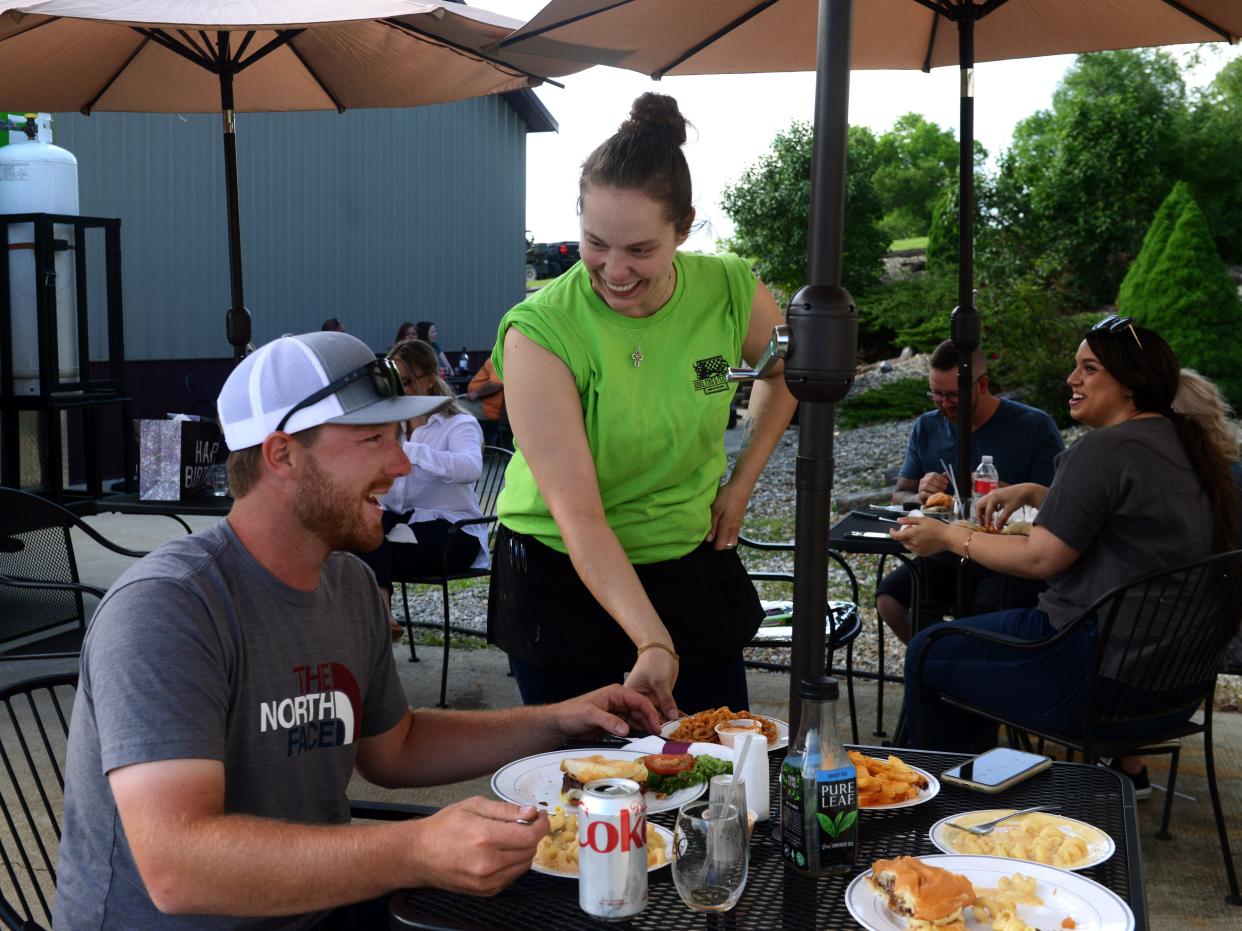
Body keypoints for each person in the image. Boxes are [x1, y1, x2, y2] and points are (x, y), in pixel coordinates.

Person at [53, 331, 661, 929]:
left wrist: (557, 721)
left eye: (398, 436)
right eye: (373, 438)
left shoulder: (346, 585)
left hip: (318, 911)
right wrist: (415, 850)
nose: (399, 464)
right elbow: (177, 869)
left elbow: (393, 747)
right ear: (282, 455)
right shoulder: (167, 610)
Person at [486, 93, 799, 720]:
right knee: (590, 792)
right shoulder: (540, 331)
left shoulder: (730, 286)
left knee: (720, 767)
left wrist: (739, 486)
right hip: (562, 574)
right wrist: (652, 639)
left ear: (683, 229)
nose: (614, 270)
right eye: (595, 244)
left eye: (640, 251)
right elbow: (580, 519)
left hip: (687, 557)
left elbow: (787, 372)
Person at [893, 317, 1239, 791]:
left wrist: (947, 537)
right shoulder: (1190, 447)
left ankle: (944, 801)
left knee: (929, 650)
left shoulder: (1105, 449)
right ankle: (974, 788)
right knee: (965, 639)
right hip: (1173, 693)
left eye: (1089, 368)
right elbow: (1123, 526)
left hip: (1097, 682)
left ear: (1131, 384)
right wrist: (1039, 492)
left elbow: (1040, 559)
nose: (1072, 379)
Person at [877, 340, 1064, 642]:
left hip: (1006, 558)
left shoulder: (1033, 427)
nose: (944, 403)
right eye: (936, 394)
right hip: (946, 550)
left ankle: (961, 668)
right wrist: (920, 495)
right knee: (890, 599)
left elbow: (1059, 503)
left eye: (953, 395)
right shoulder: (927, 427)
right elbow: (899, 496)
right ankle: (936, 667)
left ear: (982, 385)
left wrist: (1013, 493)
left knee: (983, 618)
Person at [354, 339, 489, 619]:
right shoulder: (393, 428)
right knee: (351, 539)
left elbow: (470, 468)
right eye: (391, 382)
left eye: (404, 382)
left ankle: (378, 616)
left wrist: (409, 450)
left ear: (429, 380)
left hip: (455, 533)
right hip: (404, 526)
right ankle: (376, 619)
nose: (396, 392)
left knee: (371, 552)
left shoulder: (459, 424)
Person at [465, 353, 509, 448]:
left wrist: (476, 393)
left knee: (454, 409)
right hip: (499, 408)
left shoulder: (498, 359)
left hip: (488, 406)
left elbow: (496, 384)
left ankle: (470, 448)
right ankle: (490, 448)